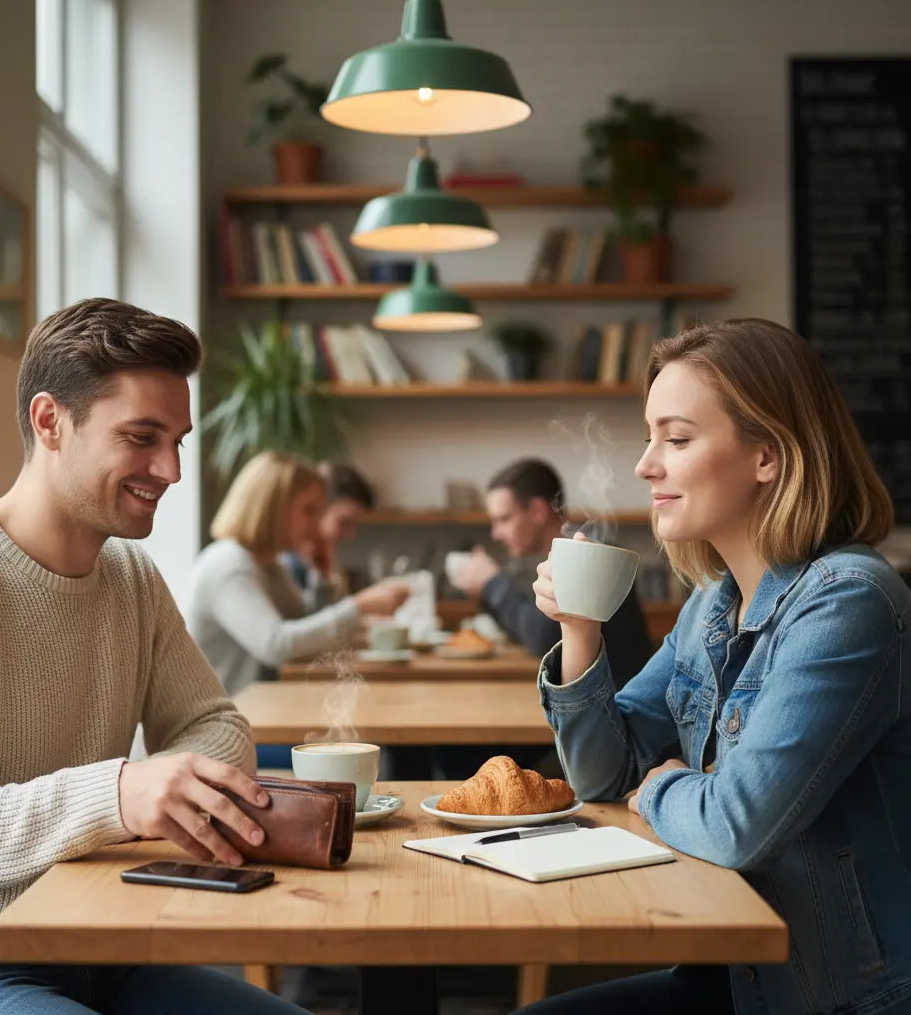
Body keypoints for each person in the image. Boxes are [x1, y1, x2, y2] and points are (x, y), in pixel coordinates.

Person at [0, 298, 308, 1015]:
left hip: (101, 948)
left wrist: (162, 788)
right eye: (142, 438)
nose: (171, 469)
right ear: (50, 422)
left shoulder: (132, 578)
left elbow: (219, 727)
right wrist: (117, 796)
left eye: (177, 439)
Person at [521, 319, 911, 1015]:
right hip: (746, 977)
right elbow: (604, 774)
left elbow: (738, 825)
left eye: (676, 438)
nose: (646, 465)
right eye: (649, 438)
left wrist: (662, 792)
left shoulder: (848, 601)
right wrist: (579, 629)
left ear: (767, 455)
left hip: (844, 994)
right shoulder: (712, 605)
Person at [187, 451, 407, 698]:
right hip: (230, 723)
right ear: (273, 508)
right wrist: (357, 607)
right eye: (309, 510)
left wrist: (322, 579)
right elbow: (277, 645)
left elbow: (308, 634)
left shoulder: (272, 566)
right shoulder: (228, 566)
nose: (317, 523)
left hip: (263, 710)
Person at [451, 458, 652, 685]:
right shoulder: (547, 561)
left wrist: (492, 584)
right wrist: (484, 592)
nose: (495, 534)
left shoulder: (586, 554)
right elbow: (525, 629)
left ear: (537, 511)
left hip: (618, 706)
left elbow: (544, 638)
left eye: (503, 519)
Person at [280, 461, 375, 609]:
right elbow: (307, 626)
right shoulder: (287, 565)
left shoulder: (321, 557)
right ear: (318, 510)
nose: (350, 535)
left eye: (353, 524)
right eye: (344, 522)